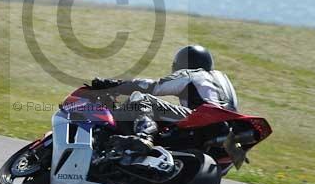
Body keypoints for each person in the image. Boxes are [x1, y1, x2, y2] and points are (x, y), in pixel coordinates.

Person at [93, 45, 238, 154]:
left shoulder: (193, 73)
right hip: (228, 126)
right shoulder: (222, 79)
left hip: (203, 117)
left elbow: (151, 87)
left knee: (142, 99)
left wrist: (113, 85)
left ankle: (144, 137)